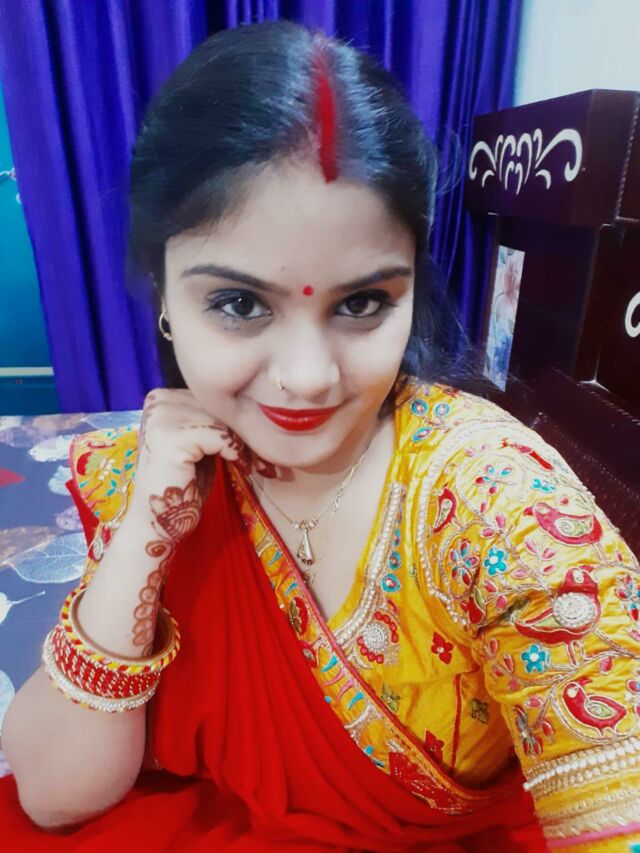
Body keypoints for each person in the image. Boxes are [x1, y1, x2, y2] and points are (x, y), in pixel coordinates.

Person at [1, 19, 638, 852]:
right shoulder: (153, 469)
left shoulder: (499, 506)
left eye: (362, 302)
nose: (306, 378)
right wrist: (143, 535)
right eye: (239, 303)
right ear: (163, 295)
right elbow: (55, 797)